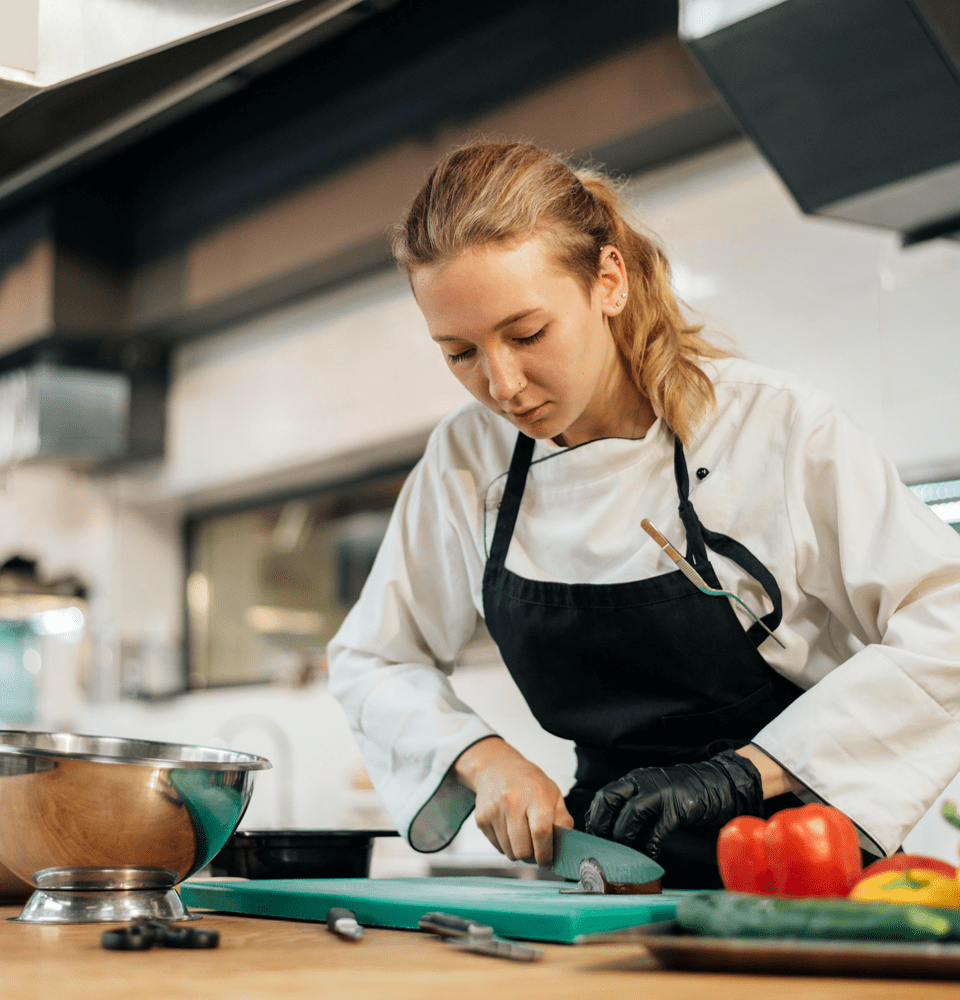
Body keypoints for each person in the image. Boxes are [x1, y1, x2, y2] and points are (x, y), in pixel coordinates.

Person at [328, 140, 960, 888]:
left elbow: (946, 625)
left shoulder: (776, 428)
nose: (502, 384)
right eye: (459, 352)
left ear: (609, 280)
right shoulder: (467, 458)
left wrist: (741, 775)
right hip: (603, 877)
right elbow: (374, 658)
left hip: (798, 865)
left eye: (528, 334)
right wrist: (484, 758)